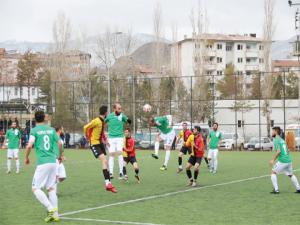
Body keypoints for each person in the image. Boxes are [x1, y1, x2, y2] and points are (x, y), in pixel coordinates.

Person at [25, 111, 63, 222]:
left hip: (43, 162)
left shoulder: (34, 130)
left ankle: (50, 208)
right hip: (52, 161)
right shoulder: (51, 130)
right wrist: (60, 156)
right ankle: (55, 215)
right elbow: (60, 143)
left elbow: (29, 145)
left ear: (35, 119)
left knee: (35, 188)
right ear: (45, 118)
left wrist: (27, 157)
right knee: (51, 188)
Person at [84, 105, 117, 193]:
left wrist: (105, 140)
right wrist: (86, 136)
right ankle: (107, 184)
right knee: (104, 160)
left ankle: (109, 184)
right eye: (107, 112)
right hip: (94, 144)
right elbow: (85, 127)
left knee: (106, 163)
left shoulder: (102, 121)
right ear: (106, 113)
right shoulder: (96, 121)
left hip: (100, 144)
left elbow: (101, 131)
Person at [269, 127, 300, 194]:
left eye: (273, 131)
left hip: (283, 161)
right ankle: (298, 189)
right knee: (291, 174)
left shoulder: (277, 140)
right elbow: (287, 151)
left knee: (273, 172)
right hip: (288, 160)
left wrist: (273, 160)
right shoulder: (282, 140)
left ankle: (276, 190)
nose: (272, 132)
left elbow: (279, 151)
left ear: (276, 132)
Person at [105, 103, 131, 179]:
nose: (120, 110)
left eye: (120, 108)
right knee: (111, 155)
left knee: (120, 153)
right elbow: (103, 122)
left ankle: (121, 172)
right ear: (115, 109)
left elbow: (128, 122)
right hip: (111, 138)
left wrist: (129, 121)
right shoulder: (109, 116)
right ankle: (111, 173)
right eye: (119, 108)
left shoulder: (122, 115)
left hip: (120, 138)